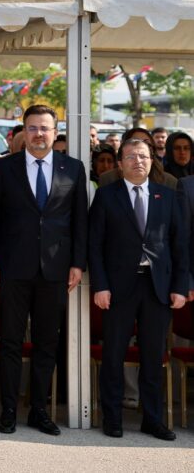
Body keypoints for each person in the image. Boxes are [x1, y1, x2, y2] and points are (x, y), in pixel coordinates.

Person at [0, 104, 88, 436]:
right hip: (13, 268)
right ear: (23, 133)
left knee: (47, 343)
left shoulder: (73, 168)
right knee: (11, 341)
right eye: (32, 128)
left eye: (44, 128)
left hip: (55, 269)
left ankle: (39, 410)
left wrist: (77, 263)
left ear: (55, 133)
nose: (38, 134)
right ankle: (9, 410)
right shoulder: (5, 168)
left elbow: (80, 221)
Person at [89, 138, 188, 441]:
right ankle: (112, 418)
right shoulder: (106, 195)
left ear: (152, 161)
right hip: (119, 287)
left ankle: (153, 419)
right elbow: (95, 246)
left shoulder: (167, 196)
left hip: (157, 287)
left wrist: (180, 286)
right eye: (131, 157)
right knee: (114, 354)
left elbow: (180, 245)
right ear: (120, 164)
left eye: (143, 156)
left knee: (153, 356)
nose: (138, 161)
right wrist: (101, 286)